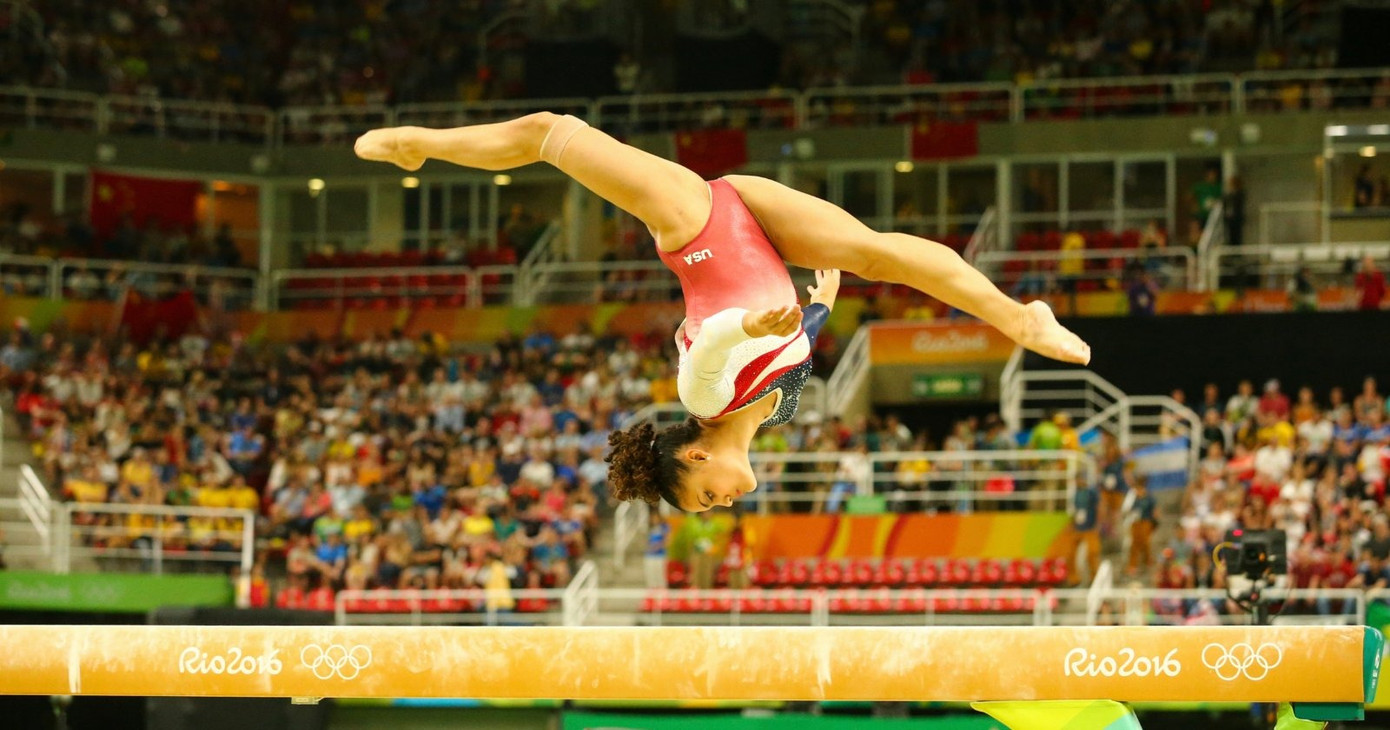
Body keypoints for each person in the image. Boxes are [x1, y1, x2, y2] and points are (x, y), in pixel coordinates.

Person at [355, 114, 1090, 513]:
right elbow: (794, 346)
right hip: (765, 233)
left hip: (703, 228)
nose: (726, 502)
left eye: (707, 498)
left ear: (697, 455)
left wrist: (750, 327)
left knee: (554, 133)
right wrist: (815, 311)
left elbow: (712, 345)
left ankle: (421, 145)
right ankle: (1016, 316)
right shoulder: (773, 412)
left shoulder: (703, 400)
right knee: (871, 254)